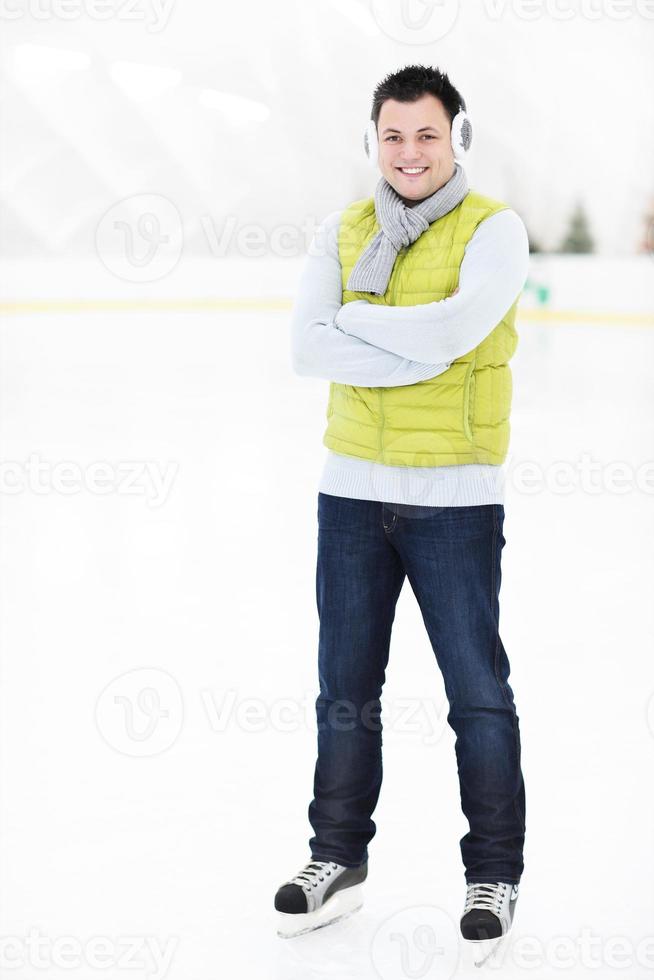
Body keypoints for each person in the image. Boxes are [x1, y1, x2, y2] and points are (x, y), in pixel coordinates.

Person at [274, 64, 528, 953]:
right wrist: (404, 341)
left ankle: (493, 873)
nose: (408, 152)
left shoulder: (494, 229)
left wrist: (360, 321)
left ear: (455, 136)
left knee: (477, 694)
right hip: (350, 492)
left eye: (426, 134)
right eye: (392, 135)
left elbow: (458, 334)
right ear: (372, 140)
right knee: (344, 693)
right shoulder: (343, 229)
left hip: (454, 497)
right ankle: (336, 859)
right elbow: (308, 350)